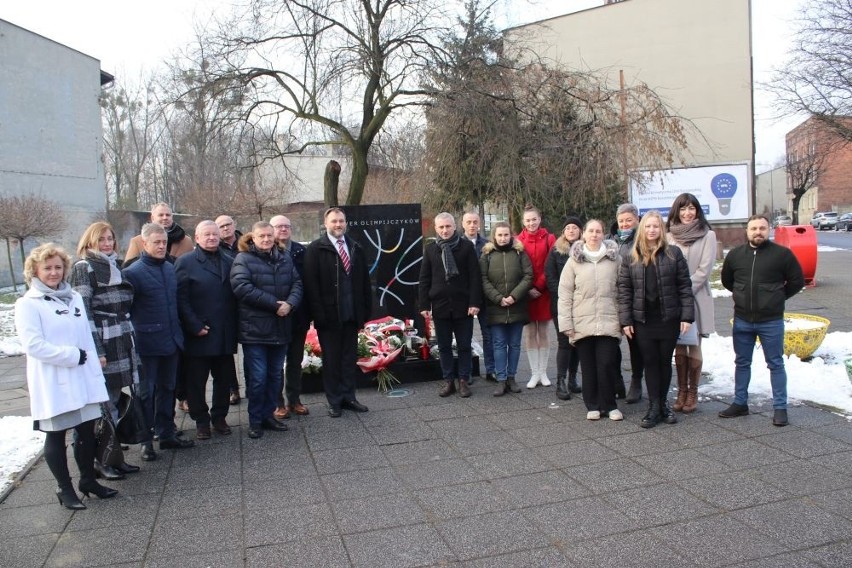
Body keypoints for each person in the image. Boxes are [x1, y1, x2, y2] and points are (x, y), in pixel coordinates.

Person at [15, 243, 117, 510]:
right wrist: (72, 356)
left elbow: (85, 334)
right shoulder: (28, 304)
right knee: (56, 435)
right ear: (35, 271)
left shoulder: (73, 297)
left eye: (58, 267)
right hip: (54, 381)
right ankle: (65, 488)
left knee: (86, 431)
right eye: (47, 268)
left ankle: (87, 481)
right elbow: (33, 345)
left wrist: (92, 364)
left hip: (82, 378)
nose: (53, 273)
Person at [69, 222, 141, 479]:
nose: (107, 243)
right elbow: (83, 312)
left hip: (121, 336)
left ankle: (114, 457)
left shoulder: (114, 264)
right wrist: (96, 349)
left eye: (110, 238)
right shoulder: (83, 267)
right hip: (103, 339)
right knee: (103, 404)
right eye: (102, 240)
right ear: (90, 241)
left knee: (116, 399)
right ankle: (100, 461)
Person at [720, 215, 804, 427]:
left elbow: (796, 281)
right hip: (742, 320)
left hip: (771, 320)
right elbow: (727, 281)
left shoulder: (782, 255)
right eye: (754, 228)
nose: (758, 232)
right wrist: (742, 295)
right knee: (742, 362)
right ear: (746, 231)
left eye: (762, 228)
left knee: (775, 363)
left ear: (769, 230)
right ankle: (740, 403)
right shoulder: (736, 255)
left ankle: (780, 407)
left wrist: (776, 296)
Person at [123, 223, 195, 460]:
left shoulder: (169, 268)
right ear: (144, 244)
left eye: (164, 242)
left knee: (168, 389)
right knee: (146, 393)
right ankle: (146, 440)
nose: (162, 246)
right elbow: (127, 311)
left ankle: (166, 433)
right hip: (146, 344)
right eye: (157, 242)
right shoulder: (132, 273)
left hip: (171, 340)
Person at [618, 211, 695, 428]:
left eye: (656, 226)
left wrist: (687, 315)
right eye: (648, 226)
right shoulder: (631, 256)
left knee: (664, 362)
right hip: (643, 321)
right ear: (642, 229)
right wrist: (626, 321)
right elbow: (624, 290)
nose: (652, 230)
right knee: (650, 362)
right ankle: (653, 407)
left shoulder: (673, 254)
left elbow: (684, 286)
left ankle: (663, 405)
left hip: (668, 319)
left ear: (661, 229)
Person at [231, 222, 303, 438]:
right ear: (253, 237)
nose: (266, 239)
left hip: (280, 328)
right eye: (261, 236)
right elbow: (242, 288)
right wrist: (275, 305)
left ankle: (268, 415)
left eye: (269, 236)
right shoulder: (243, 259)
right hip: (255, 330)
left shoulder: (284, 257)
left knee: (274, 376)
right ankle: (255, 420)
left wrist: (290, 304)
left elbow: (297, 283)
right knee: (258, 377)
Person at [303, 208, 373, 417]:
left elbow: (364, 282)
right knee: (332, 360)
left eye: (341, 221)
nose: (338, 225)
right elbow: (311, 285)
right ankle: (334, 400)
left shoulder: (355, 247)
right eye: (334, 221)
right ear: (326, 224)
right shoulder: (316, 249)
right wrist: (318, 314)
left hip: (351, 314)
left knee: (348, 359)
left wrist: (365, 312)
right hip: (329, 317)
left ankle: (349, 397)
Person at [175, 220, 238, 440]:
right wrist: (194, 325)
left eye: (214, 234)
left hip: (223, 332)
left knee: (224, 379)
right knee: (196, 382)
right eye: (206, 235)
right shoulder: (185, 263)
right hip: (199, 333)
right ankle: (201, 421)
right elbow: (181, 299)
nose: (212, 238)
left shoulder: (230, 261)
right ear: (197, 237)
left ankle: (219, 418)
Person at [557, 220, 623, 421]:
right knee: (588, 366)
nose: (594, 235)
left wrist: (624, 320)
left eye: (598, 231)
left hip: (608, 320)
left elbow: (622, 290)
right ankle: (592, 404)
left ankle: (610, 404)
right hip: (582, 322)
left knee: (607, 364)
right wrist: (566, 324)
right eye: (591, 231)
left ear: (604, 234)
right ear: (583, 234)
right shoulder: (574, 261)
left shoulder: (615, 259)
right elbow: (565, 293)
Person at [419, 212, 482, 398]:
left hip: (464, 306)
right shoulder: (430, 249)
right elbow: (424, 279)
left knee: (464, 345)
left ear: (454, 227)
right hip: (440, 306)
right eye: (441, 227)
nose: (445, 230)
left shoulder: (466, 248)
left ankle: (463, 380)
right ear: (436, 229)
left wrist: (474, 302)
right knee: (444, 346)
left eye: (448, 226)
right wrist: (424, 305)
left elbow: (475, 277)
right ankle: (448, 381)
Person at [666, 193, 717, 413]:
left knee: (694, 344)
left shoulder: (707, 235)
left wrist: (683, 289)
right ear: (676, 211)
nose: (687, 213)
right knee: (679, 344)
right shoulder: (668, 236)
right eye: (683, 209)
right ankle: (682, 391)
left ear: (697, 211)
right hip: (674, 300)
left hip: (696, 299)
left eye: (692, 208)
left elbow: (704, 270)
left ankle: (693, 392)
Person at [480, 221, 532, 396]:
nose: (503, 238)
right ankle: (501, 379)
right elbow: (483, 279)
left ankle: (512, 377)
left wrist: (513, 296)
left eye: (506, 235)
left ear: (511, 235)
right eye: (499, 235)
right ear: (494, 236)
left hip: (517, 306)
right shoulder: (486, 255)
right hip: (496, 308)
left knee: (515, 345)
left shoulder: (519, 253)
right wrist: (498, 298)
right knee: (499, 344)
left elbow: (528, 276)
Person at [270, 215, 310, 419]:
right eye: (279, 227)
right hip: (275, 315)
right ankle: (277, 403)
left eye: (287, 226)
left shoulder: (301, 251)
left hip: (299, 315)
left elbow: (308, 283)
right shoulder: (267, 252)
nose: (283, 230)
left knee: (295, 361)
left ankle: (294, 400)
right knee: (276, 363)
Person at [516, 205, 556, 388]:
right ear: (523, 222)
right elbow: (517, 267)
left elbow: (551, 264)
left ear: (540, 219)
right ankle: (534, 373)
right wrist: (528, 287)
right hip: (526, 292)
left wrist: (539, 286)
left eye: (534, 219)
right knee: (530, 332)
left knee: (544, 332)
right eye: (528, 220)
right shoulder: (517, 240)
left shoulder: (550, 238)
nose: (531, 223)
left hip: (544, 291)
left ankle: (544, 372)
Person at [545, 216, 584, 399]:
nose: (571, 231)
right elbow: (550, 276)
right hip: (560, 304)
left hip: (582, 305)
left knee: (576, 343)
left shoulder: (586, 250)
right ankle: (560, 382)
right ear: (563, 231)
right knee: (564, 343)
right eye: (568, 228)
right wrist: (563, 295)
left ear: (580, 231)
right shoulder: (555, 251)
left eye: (574, 228)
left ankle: (572, 379)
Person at [613, 203, 642, 402]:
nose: (624, 224)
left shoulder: (641, 240)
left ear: (637, 220)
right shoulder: (611, 241)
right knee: (611, 344)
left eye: (628, 220)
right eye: (621, 221)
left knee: (635, 344)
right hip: (613, 299)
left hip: (633, 299)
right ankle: (616, 381)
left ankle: (636, 381)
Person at [462, 211, 495, 383]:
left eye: (475, 222)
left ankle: (491, 370)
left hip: (485, 296)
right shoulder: (458, 244)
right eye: (469, 222)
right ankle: (466, 373)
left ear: (479, 224)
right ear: (463, 224)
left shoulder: (487, 245)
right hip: (466, 297)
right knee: (465, 337)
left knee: (488, 335)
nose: (472, 225)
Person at [216, 214, 243, 405]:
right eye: (221, 226)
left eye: (228, 224)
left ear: (234, 225)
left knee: (251, 350)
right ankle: (233, 388)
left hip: (247, 304)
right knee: (226, 353)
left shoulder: (247, 244)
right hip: (226, 305)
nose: (225, 228)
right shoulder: (213, 249)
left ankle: (254, 385)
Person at [124, 202, 194, 264]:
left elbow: (193, 267)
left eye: (168, 215)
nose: (165, 218)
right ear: (152, 218)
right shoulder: (137, 241)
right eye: (161, 215)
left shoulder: (186, 241)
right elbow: (128, 268)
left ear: (172, 217)